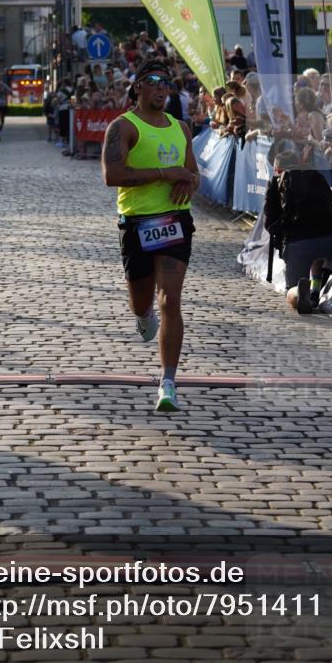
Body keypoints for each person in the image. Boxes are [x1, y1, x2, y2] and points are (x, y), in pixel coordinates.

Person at [102, 58, 200, 412]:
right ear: (138, 86)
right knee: (142, 304)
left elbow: (193, 173)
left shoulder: (181, 127)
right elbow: (112, 175)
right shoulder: (122, 127)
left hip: (174, 221)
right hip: (136, 223)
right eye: (154, 81)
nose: (162, 88)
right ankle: (143, 318)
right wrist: (164, 173)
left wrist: (188, 182)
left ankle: (168, 382)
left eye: (167, 83)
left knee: (170, 299)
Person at [264, 141, 332, 314]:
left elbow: (269, 223)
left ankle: (300, 292)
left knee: (291, 291)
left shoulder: (276, 184)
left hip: (298, 245)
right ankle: (315, 290)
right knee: (315, 254)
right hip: (329, 239)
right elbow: (331, 199)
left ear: (278, 169)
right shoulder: (314, 175)